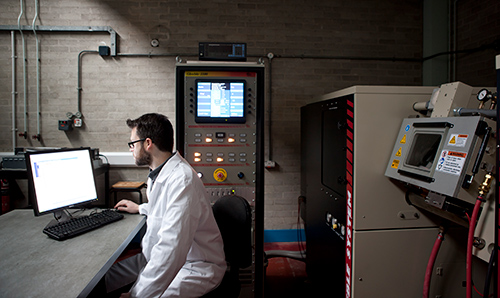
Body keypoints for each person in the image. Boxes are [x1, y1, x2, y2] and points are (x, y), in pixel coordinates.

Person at [109, 113, 226, 298]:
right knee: (105, 280)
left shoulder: (182, 180)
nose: (131, 149)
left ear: (148, 143)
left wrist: (136, 295)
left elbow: (171, 250)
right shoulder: (158, 173)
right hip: (162, 256)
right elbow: (166, 209)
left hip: (195, 266)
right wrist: (141, 208)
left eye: (133, 144)